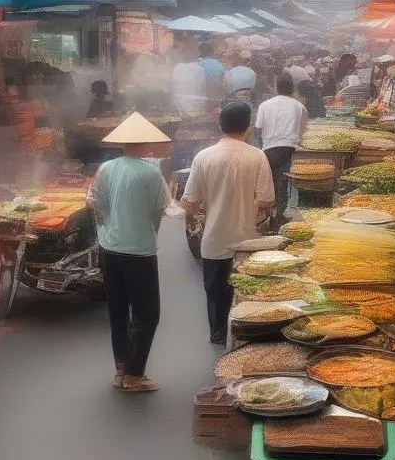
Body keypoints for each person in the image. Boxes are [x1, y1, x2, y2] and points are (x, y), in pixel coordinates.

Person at [88, 113, 170, 394]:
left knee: (118, 312)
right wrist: (148, 232)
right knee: (147, 315)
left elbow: (98, 205)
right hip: (139, 251)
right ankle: (135, 374)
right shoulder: (151, 172)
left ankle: (121, 368)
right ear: (146, 142)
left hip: (110, 248)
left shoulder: (106, 168)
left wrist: (110, 228)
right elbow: (158, 211)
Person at [181, 102, 275, 345]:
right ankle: (246, 341)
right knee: (247, 293)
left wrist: (196, 219)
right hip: (248, 242)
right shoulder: (258, 156)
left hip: (214, 240)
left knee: (215, 293)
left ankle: (218, 335)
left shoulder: (204, 157)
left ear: (220, 125)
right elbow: (266, 201)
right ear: (249, 126)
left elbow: (190, 201)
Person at [255, 73, 309, 230]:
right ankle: (279, 217)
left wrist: (262, 145)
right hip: (287, 148)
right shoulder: (298, 106)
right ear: (292, 88)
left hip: (268, 149)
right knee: (283, 181)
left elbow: (258, 129)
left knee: (269, 183)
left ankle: (268, 216)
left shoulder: (265, 105)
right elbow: (303, 128)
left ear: (276, 87)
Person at [171, 42, 208, 117]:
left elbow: (172, 87)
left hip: (179, 105)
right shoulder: (200, 69)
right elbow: (202, 89)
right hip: (196, 105)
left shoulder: (176, 68)